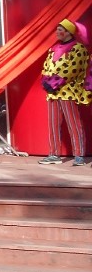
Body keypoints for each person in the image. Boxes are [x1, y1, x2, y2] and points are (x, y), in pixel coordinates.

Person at [38, 18, 92, 166]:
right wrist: (46, 80)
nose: (57, 32)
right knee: (53, 124)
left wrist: (54, 82)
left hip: (68, 91)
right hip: (53, 93)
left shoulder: (78, 48)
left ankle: (79, 155)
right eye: (57, 29)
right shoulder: (54, 48)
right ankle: (54, 154)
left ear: (68, 32)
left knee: (74, 123)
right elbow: (46, 66)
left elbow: (72, 69)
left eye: (60, 29)